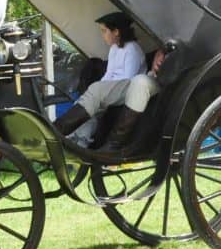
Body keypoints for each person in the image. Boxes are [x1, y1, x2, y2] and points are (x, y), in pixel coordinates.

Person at [54, 12, 163, 152]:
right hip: (114, 89)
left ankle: (60, 130)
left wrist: (103, 91)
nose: (102, 35)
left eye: (104, 31)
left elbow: (128, 78)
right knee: (91, 101)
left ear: (116, 32)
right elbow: (108, 74)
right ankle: (78, 140)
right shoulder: (114, 49)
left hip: (127, 88)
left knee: (96, 93)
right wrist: (99, 88)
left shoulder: (132, 49)